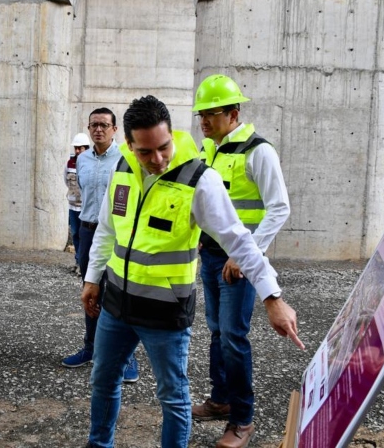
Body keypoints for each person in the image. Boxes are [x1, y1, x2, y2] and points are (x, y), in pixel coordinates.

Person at [81, 95, 303, 448]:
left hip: (165, 313)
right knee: (103, 381)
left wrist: (272, 297)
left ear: (172, 134)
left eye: (164, 147)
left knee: (173, 399)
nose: (157, 159)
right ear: (128, 145)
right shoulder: (121, 169)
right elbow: (108, 229)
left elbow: (240, 241)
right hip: (116, 306)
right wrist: (92, 279)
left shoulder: (199, 179)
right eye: (145, 152)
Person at [191, 74, 291, 448]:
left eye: (211, 113)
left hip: (240, 261)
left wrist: (248, 254)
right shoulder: (207, 150)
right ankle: (220, 400)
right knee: (217, 330)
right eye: (201, 113)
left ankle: (243, 420)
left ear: (233, 113)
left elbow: (279, 208)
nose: (203, 120)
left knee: (233, 336)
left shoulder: (258, 151)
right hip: (213, 256)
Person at [61, 108, 138, 385]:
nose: (98, 130)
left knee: (119, 294)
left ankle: (128, 358)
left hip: (117, 235)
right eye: (94, 125)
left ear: (115, 129)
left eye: (105, 125)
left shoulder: (126, 159)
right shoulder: (81, 159)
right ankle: (90, 347)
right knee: (90, 290)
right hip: (86, 230)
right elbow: (78, 192)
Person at [65, 132, 90, 275]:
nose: (77, 151)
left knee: (85, 236)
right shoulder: (69, 163)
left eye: (80, 148)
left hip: (86, 208)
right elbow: (66, 180)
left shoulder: (91, 163)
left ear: (86, 148)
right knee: (75, 235)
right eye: (76, 148)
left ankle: (84, 264)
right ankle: (78, 262)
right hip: (73, 207)